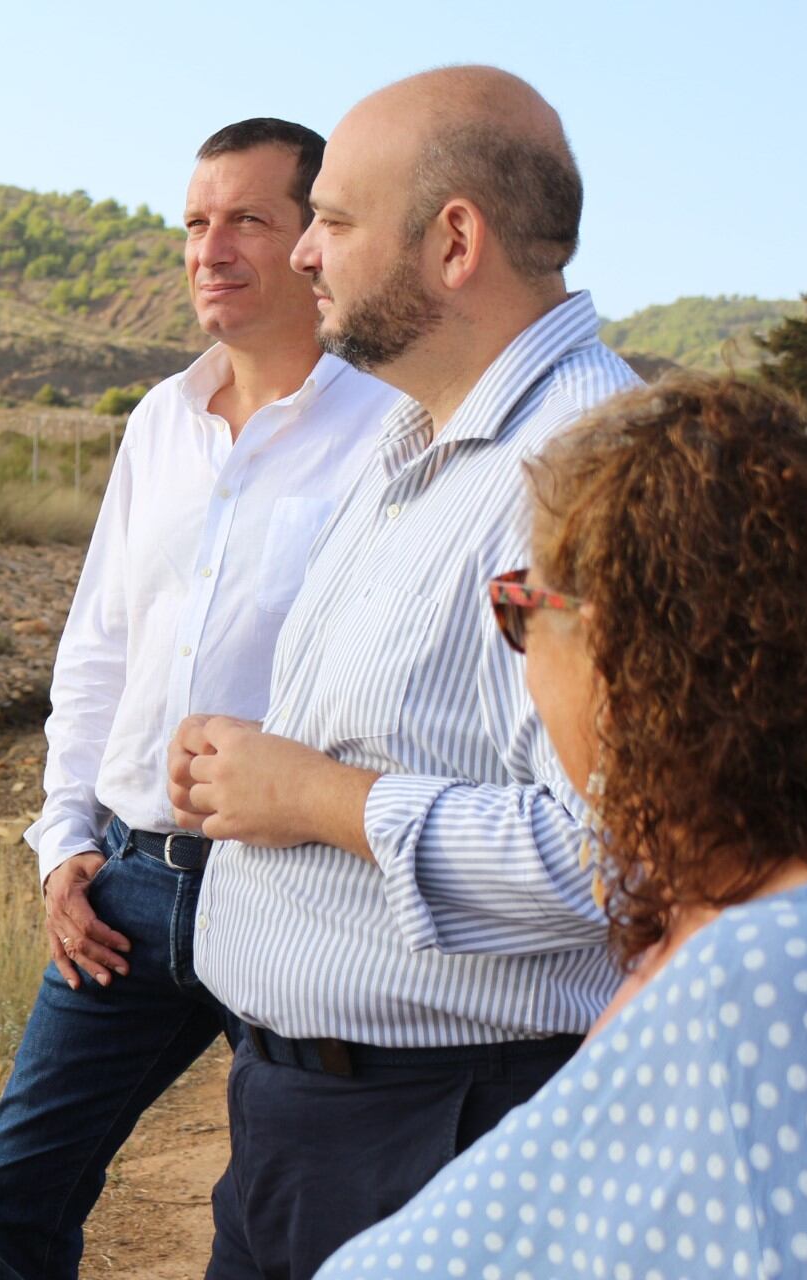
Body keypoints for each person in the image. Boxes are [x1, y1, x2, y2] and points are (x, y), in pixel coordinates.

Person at [170, 66, 641, 1277]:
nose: (308, 255)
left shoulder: (592, 474)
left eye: (330, 220)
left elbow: (617, 857)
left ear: (454, 240)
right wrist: (253, 771)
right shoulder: (404, 436)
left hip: (448, 1131)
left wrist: (316, 800)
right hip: (303, 1119)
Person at [0, 118, 398, 1279]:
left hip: (304, 885)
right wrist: (62, 845)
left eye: (248, 218)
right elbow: (98, 646)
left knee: (287, 1225)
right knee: (14, 1190)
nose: (212, 247)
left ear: (317, 240)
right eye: (197, 223)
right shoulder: (161, 419)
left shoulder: (399, 433)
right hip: (131, 892)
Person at [321, 375, 807, 1277]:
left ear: (620, 656)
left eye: (519, 611)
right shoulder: (770, 925)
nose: (524, 665)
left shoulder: (763, 983)